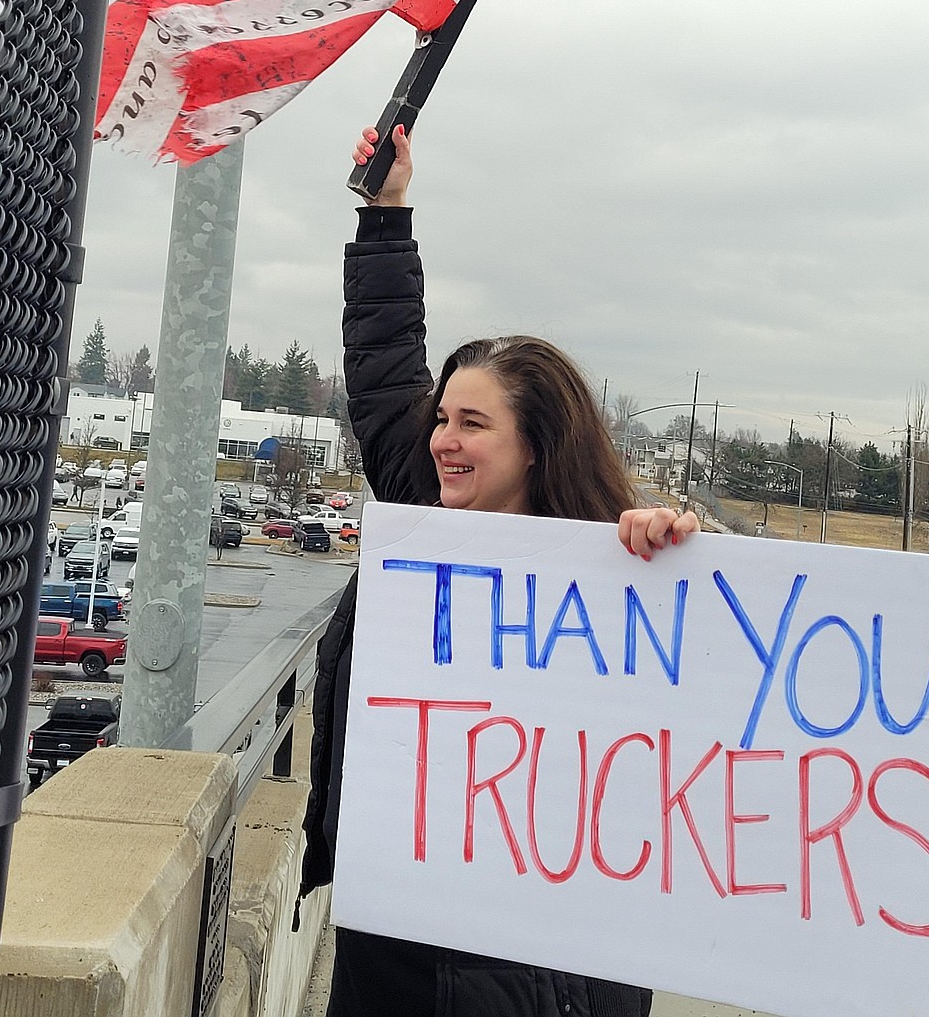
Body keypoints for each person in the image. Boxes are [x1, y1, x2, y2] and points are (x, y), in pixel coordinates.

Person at [297, 124, 700, 1017]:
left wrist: (665, 553)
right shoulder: (424, 518)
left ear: (535, 445)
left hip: (541, 969)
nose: (443, 439)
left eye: (472, 424)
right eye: (441, 419)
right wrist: (388, 213)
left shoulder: (610, 567)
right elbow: (381, 366)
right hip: (397, 942)